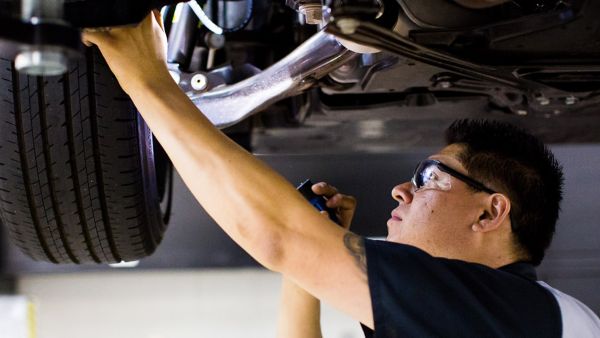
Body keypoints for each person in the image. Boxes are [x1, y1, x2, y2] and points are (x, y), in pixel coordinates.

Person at [83, 13, 600, 337]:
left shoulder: (512, 316)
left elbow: (279, 237)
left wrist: (149, 81)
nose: (401, 189)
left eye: (427, 177)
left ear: (492, 211)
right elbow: (283, 239)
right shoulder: (509, 315)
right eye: (424, 175)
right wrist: (313, 250)